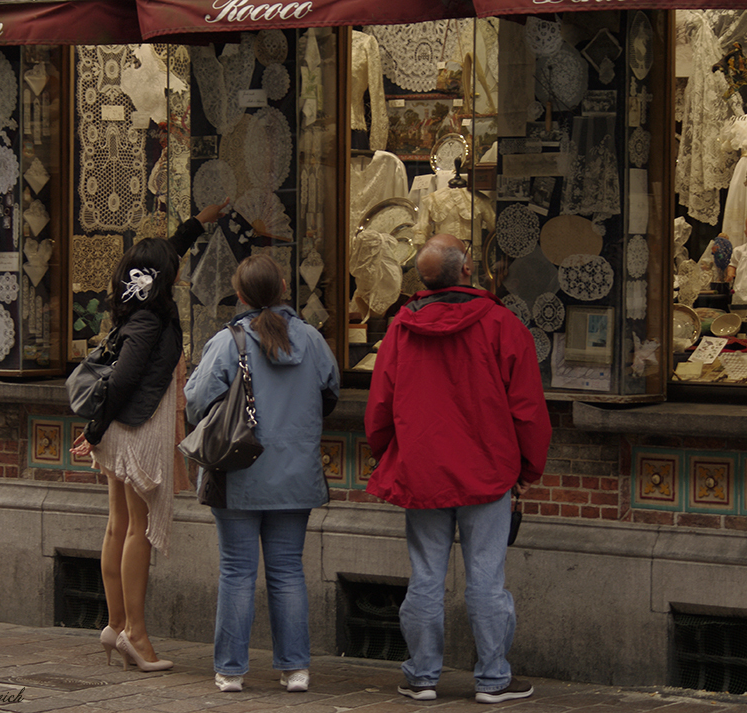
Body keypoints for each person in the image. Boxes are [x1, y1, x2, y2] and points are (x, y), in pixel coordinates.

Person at [364, 233, 552, 704]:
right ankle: (493, 678)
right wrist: (528, 470)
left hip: (423, 467)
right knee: (486, 578)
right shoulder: (502, 325)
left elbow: (379, 405)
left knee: (426, 575)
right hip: (488, 470)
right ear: (467, 269)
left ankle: (423, 675)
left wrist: (387, 451)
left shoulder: (402, 329)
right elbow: (527, 407)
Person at [70, 201, 228, 672]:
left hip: (125, 426)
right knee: (135, 527)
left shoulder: (137, 306)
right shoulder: (149, 322)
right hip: (137, 430)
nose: (179, 276)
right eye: (172, 272)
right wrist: (94, 430)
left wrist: (197, 224)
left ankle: (116, 625)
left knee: (118, 524)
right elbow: (120, 381)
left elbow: (166, 254)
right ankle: (136, 635)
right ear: (161, 279)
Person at [184, 254, 340, 694]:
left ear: (240, 295)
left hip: (238, 473)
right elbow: (331, 391)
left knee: (236, 571)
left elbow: (195, 402)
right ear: (285, 288)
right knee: (288, 570)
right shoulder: (311, 340)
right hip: (296, 474)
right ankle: (295, 669)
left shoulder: (228, 341)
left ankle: (231, 671)